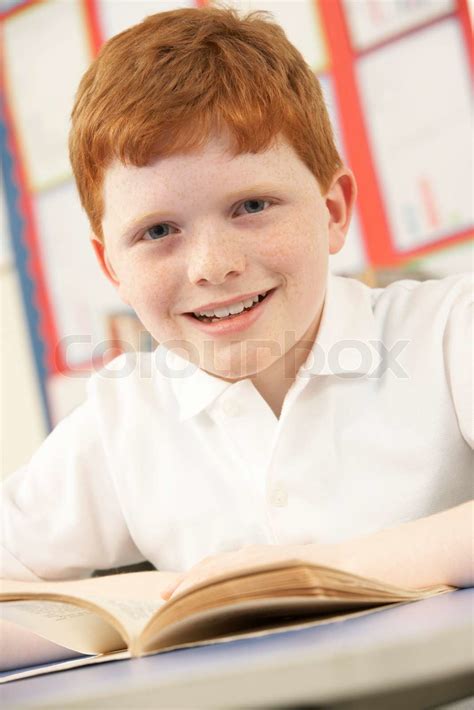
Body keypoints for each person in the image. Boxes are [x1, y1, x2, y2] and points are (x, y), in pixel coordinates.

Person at [1, 6, 472, 600]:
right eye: (156, 231)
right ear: (112, 268)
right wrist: (167, 595)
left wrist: (313, 573)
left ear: (332, 211)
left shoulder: (449, 330)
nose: (212, 265)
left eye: (252, 207)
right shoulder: (124, 416)